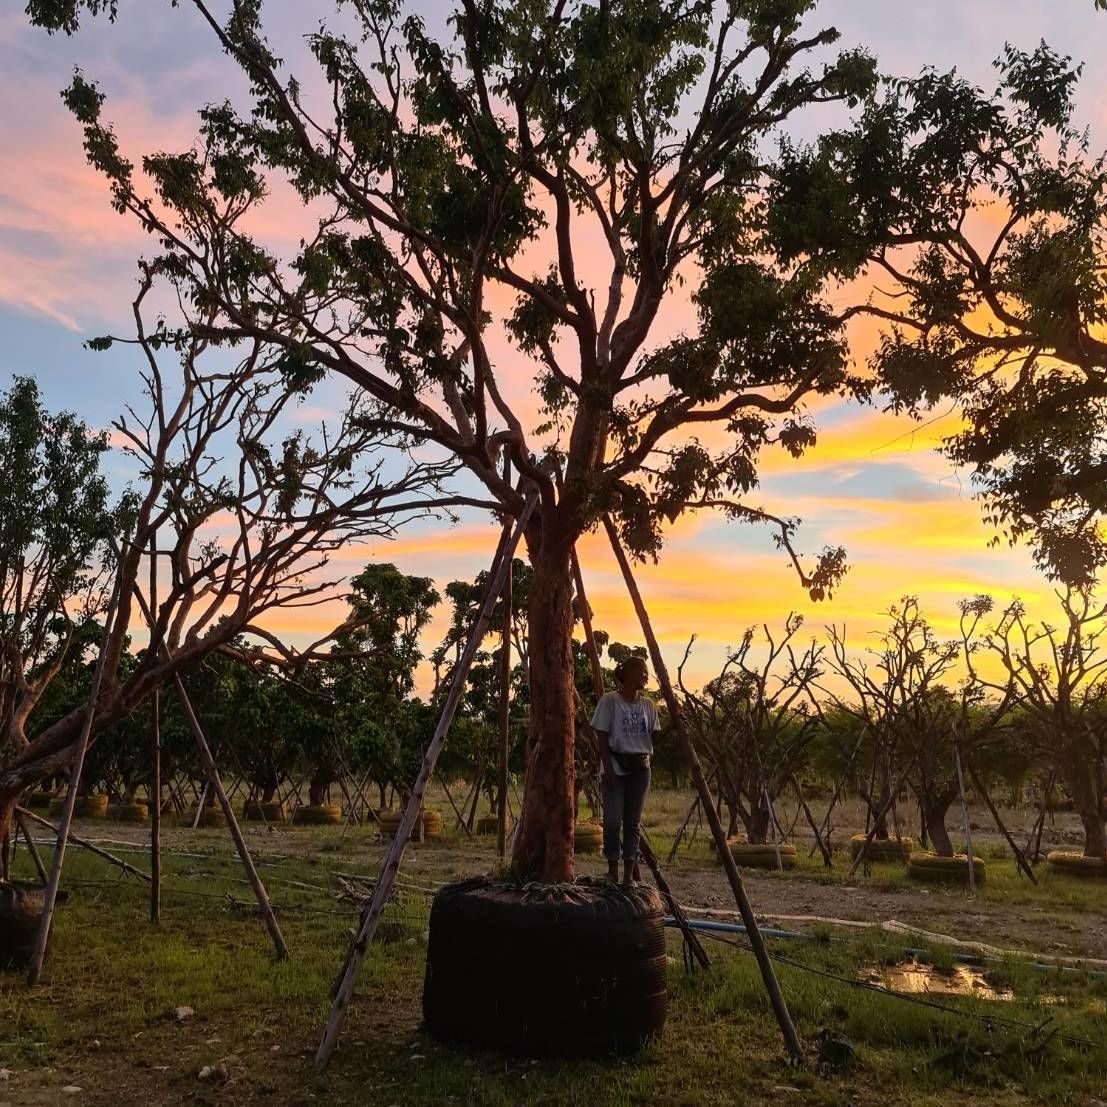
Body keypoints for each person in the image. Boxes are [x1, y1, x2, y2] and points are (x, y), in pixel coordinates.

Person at [590, 655, 659, 886]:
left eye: (646, 672)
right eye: (641, 671)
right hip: (615, 767)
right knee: (612, 821)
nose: (645, 676)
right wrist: (607, 768)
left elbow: (653, 737)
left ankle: (629, 876)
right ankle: (612, 870)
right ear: (628, 674)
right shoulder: (610, 701)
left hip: (640, 769)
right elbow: (601, 735)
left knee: (632, 823)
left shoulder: (648, 705)